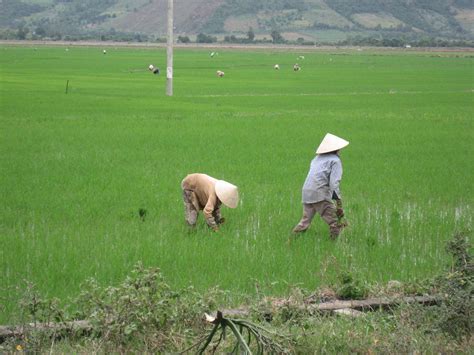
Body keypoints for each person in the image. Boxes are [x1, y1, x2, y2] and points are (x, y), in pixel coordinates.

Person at [292, 133, 349, 239]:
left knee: (304, 222)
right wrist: (338, 202)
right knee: (335, 222)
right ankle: (334, 245)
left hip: (306, 192)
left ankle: (291, 241)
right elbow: (334, 183)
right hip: (319, 193)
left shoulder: (316, 159)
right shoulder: (335, 161)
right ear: (336, 149)